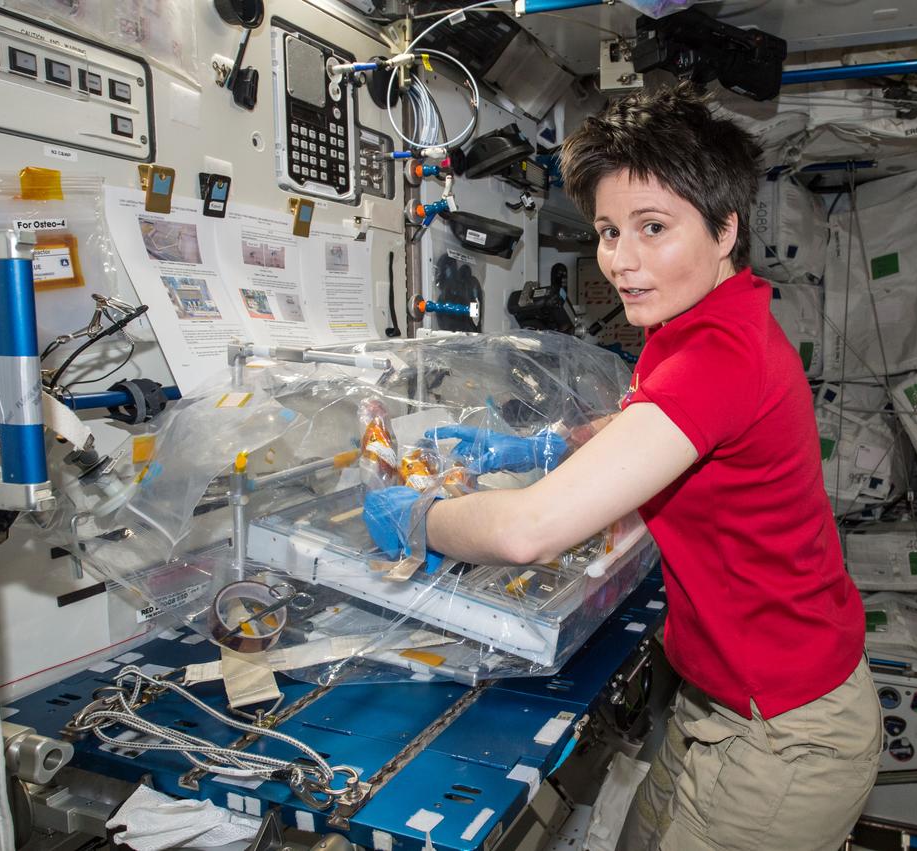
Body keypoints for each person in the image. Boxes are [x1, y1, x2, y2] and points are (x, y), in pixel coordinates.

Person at [364, 83, 879, 851]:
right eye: (607, 231)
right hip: (721, 699)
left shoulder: (718, 352)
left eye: (652, 227)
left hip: (786, 732)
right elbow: (656, 429)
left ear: (725, 227)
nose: (621, 261)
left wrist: (416, 517)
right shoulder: (699, 319)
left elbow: (526, 531)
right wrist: (539, 447)